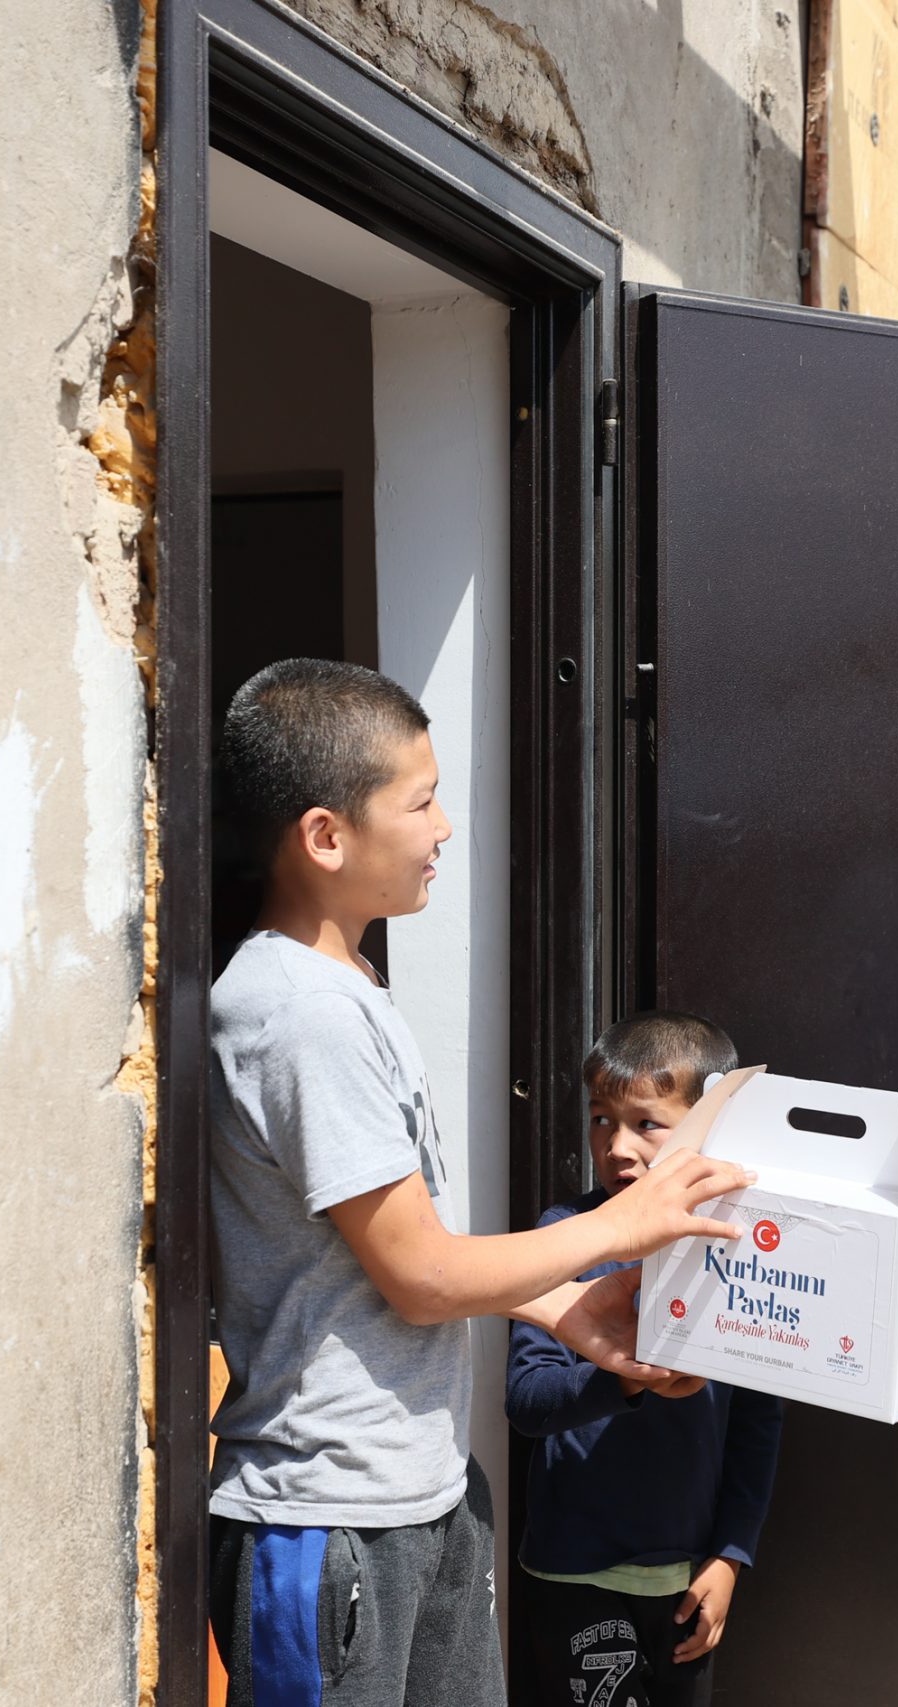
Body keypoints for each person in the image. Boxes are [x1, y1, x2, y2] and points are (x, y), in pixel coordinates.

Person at [203, 658, 753, 1707]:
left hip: (421, 1494)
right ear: (326, 836)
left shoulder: (346, 989)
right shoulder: (302, 1014)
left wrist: (568, 1311)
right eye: (420, 802)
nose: (445, 826)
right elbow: (419, 1275)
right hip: (328, 1517)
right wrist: (622, 1227)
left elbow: (386, 1259)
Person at [509, 1011, 785, 1707]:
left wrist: (731, 1555)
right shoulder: (563, 1236)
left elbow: (758, 1421)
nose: (616, 1145)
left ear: (710, 1127)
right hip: (575, 1574)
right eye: (601, 1119)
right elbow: (528, 1400)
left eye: (646, 1123)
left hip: (687, 1581)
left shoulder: (737, 1251)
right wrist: (623, 1379)